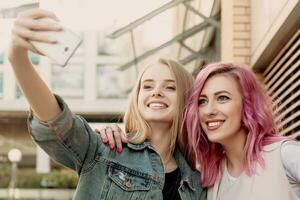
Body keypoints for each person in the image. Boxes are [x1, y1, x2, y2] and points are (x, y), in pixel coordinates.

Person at [8, 8, 207, 200]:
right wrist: (18, 57)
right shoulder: (106, 150)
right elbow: (58, 124)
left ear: (186, 101)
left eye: (170, 87)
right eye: (147, 86)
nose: (156, 92)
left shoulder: (197, 184)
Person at [183, 62, 300, 200]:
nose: (208, 111)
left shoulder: (285, 154)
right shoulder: (211, 178)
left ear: (248, 104)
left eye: (222, 98)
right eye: (202, 101)